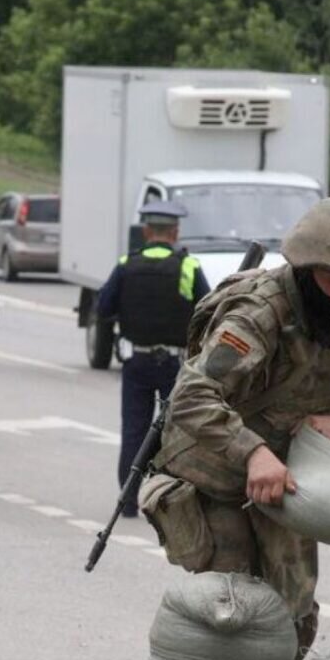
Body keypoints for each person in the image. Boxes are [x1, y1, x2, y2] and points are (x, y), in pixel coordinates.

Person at [150, 196, 330, 655]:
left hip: (290, 479)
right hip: (218, 475)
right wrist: (253, 453)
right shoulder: (257, 313)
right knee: (231, 610)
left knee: (294, 612)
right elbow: (191, 397)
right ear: (306, 267)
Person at [97, 199, 210, 517]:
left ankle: (129, 501)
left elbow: (103, 309)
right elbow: (208, 310)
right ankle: (168, 499)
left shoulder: (125, 264)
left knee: (134, 429)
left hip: (136, 362)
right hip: (174, 364)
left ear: (146, 231)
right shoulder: (188, 266)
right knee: (174, 431)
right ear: (175, 232)